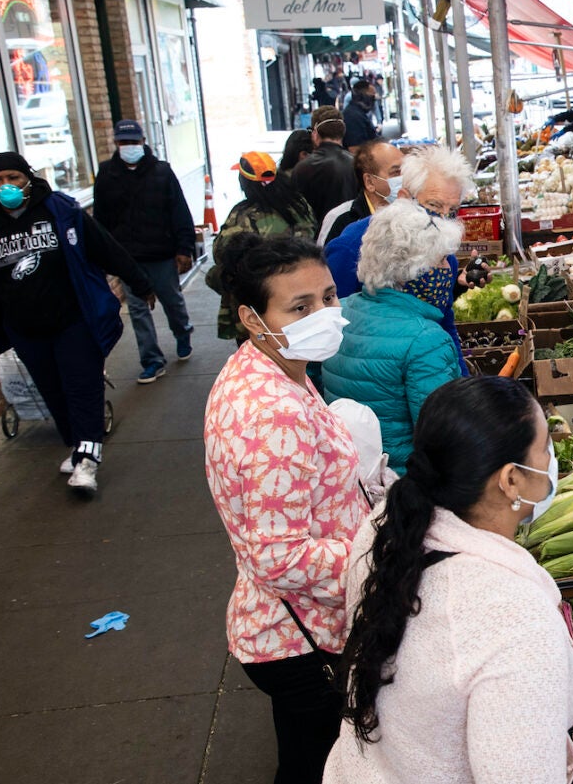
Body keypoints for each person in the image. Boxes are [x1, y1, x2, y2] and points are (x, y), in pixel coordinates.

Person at [325, 376, 573, 783]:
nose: (552, 457)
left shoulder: (386, 526)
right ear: (511, 480)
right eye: (544, 448)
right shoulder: (513, 619)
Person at [204, 234, 364, 784]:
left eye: (328, 296)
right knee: (318, 766)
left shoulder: (274, 369)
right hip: (298, 636)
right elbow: (278, 555)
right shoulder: (273, 412)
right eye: (300, 307)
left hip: (289, 627)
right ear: (252, 318)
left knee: (303, 759)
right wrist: (376, 556)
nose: (324, 315)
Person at [0, 151, 154, 497]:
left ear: (28, 178)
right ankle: (78, 445)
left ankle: (87, 461)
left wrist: (139, 282)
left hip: (71, 320)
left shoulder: (60, 211)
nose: (5, 186)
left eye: (13, 178)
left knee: (82, 386)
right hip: (25, 328)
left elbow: (104, 247)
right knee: (54, 391)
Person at [320, 201, 465, 475]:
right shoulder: (426, 341)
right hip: (404, 484)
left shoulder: (341, 310)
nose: (449, 269)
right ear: (414, 271)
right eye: (441, 260)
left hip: (352, 474)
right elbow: (443, 438)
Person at [92, 119, 196, 385]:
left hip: (161, 253)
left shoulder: (162, 172)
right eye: (124, 143)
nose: (129, 147)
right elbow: (101, 220)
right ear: (116, 144)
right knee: (138, 311)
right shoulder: (106, 175)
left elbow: (179, 211)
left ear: (143, 142)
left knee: (172, 301)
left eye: (134, 142)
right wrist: (104, 255)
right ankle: (151, 361)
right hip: (128, 257)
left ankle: (182, 332)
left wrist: (184, 248)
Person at [326, 145, 471, 299]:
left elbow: (444, 314)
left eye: (452, 210)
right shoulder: (351, 247)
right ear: (404, 199)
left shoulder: (445, 255)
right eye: (434, 205)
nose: (443, 220)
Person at [209, 151, 317, 342]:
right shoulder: (300, 207)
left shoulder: (243, 215)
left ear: (245, 183)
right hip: (302, 298)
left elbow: (221, 254)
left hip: (262, 304)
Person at [318, 140, 402, 246]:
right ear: (369, 182)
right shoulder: (341, 219)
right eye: (396, 172)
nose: (405, 178)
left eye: (407, 170)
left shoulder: (417, 213)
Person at [293, 106, 358, 227]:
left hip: (315, 237)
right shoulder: (357, 164)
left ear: (315, 133)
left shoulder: (302, 167)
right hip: (350, 233)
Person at [343, 78, 381, 149]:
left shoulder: (358, 113)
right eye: (372, 96)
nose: (373, 100)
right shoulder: (353, 116)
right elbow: (354, 149)